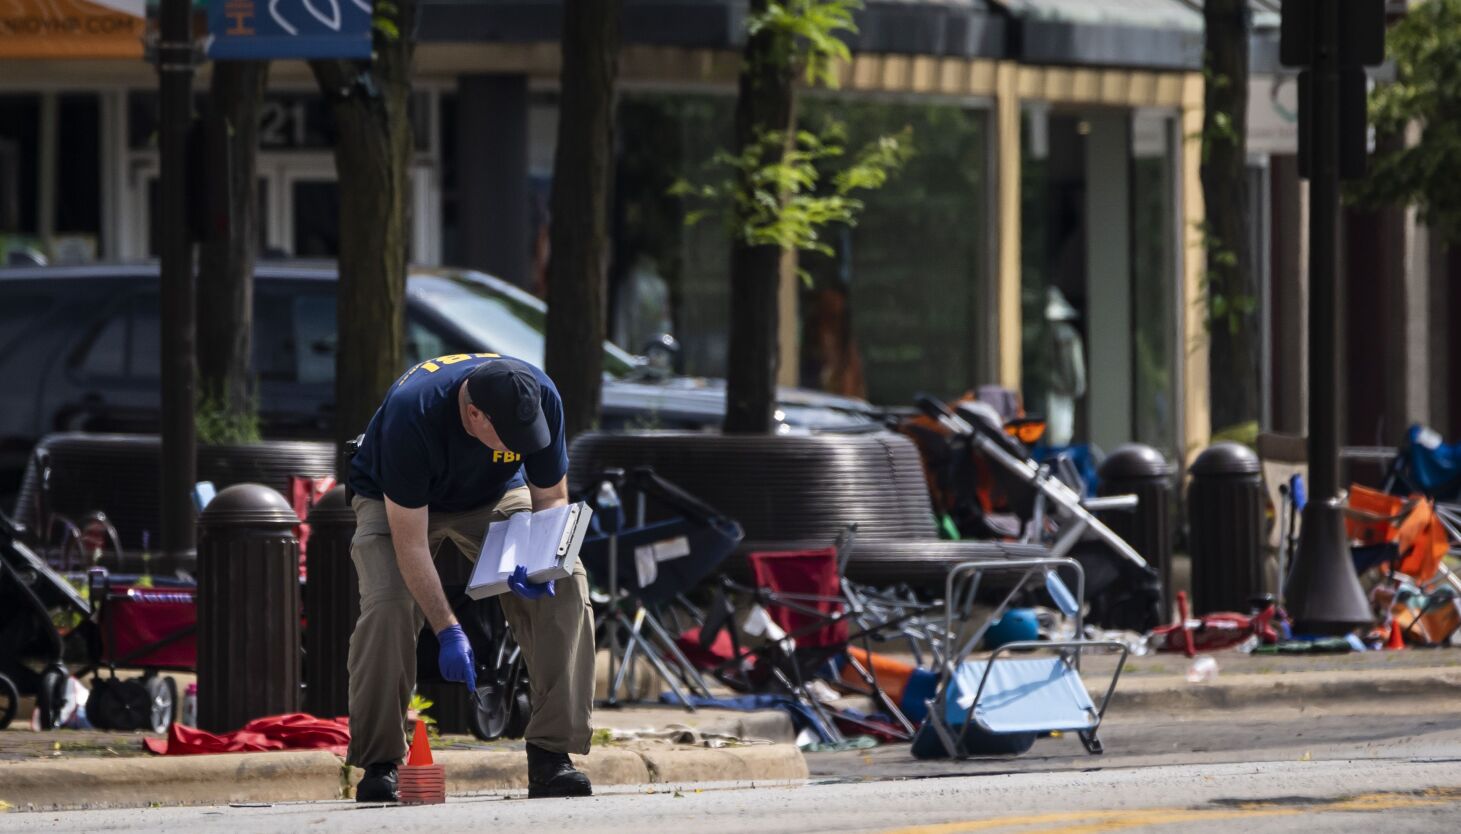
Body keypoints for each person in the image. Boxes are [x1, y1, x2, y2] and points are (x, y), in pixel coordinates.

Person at [344, 353, 595, 802]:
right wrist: (449, 630)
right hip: (394, 501)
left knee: (570, 583)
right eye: (512, 438)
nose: (522, 445)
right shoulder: (412, 413)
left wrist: (543, 558)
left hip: (493, 494)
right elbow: (412, 545)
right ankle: (380, 762)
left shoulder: (540, 394)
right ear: (474, 414)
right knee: (389, 605)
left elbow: (552, 496)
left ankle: (551, 756)